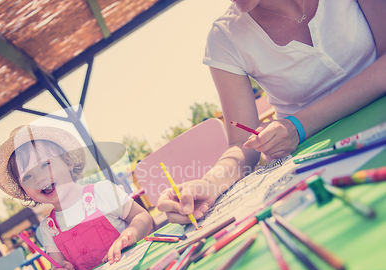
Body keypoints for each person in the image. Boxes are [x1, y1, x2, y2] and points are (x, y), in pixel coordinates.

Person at [158, 0, 386, 225]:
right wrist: (209, 184)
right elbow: (241, 145)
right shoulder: (225, 36)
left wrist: (298, 125)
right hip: (314, 165)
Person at [0, 125, 152, 270]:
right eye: (28, 177)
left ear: (67, 161)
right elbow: (58, 264)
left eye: (45, 164)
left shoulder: (102, 192)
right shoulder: (48, 228)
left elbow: (143, 217)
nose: (39, 178)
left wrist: (129, 234)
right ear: (24, 191)